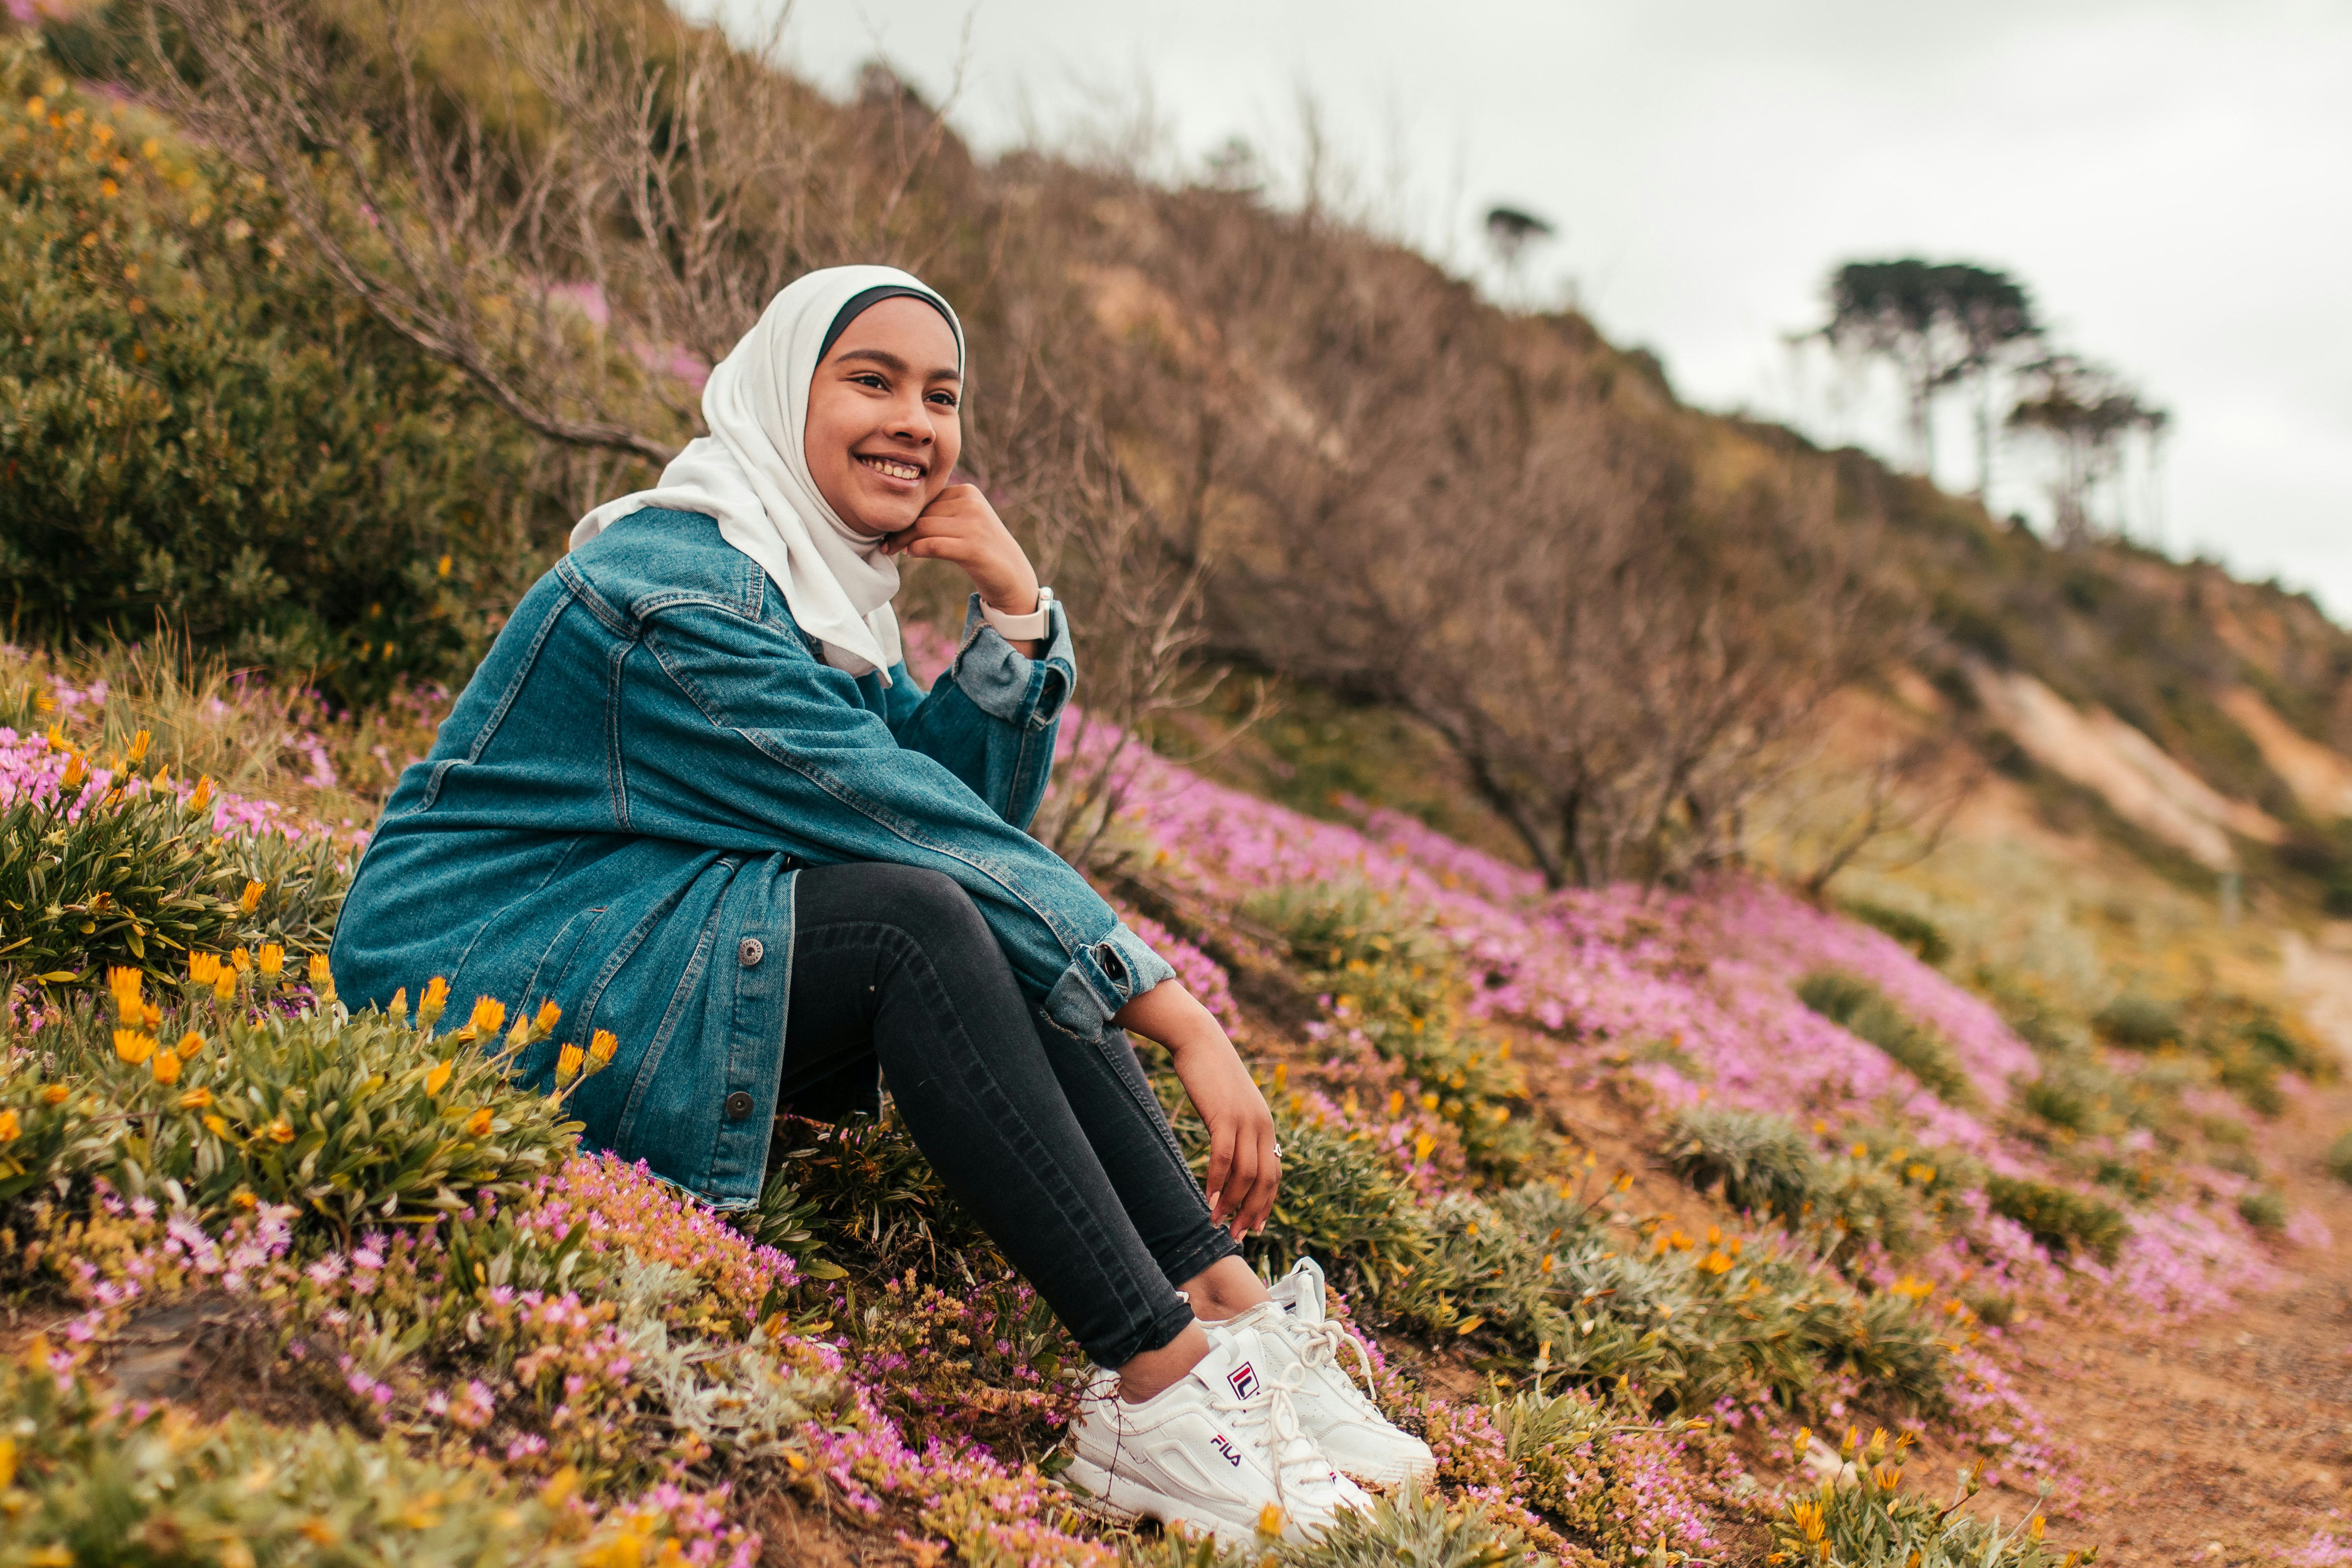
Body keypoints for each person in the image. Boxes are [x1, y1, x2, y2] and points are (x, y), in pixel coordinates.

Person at [330, 265, 1432, 1541]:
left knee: (957, 908)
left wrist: (1016, 618)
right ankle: (1158, 1383)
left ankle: (1226, 1310)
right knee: (925, 914)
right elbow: (908, 828)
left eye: (940, 393)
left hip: (635, 934)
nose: (914, 418)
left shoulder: (797, 578)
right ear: (779, 392)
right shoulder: (680, 592)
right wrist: (1172, 1007)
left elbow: (934, 804)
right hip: (488, 967)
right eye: (870, 379)